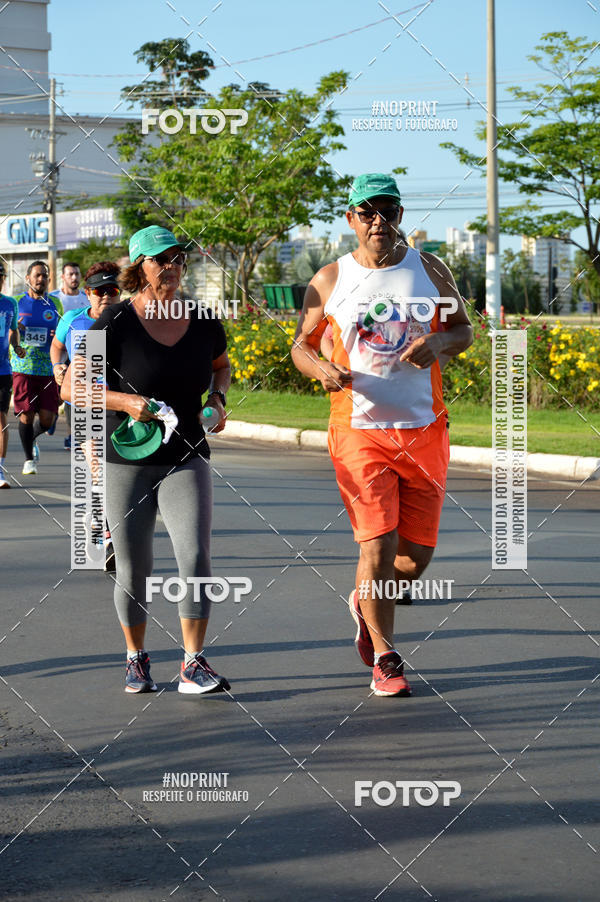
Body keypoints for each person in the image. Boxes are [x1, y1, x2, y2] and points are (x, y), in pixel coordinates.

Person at [292, 173, 473, 697]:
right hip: (359, 431)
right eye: (366, 212)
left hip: (424, 430)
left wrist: (439, 347)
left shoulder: (430, 268)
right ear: (349, 219)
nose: (378, 222)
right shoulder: (329, 280)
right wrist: (319, 370)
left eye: (387, 211)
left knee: (413, 558)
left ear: (400, 215)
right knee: (377, 544)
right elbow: (301, 347)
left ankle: (363, 603)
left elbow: (462, 329)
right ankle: (386, 657)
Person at [61, 225, 232, 695]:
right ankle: (136, 658)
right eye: (160, 260)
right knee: (134, 566)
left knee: (195, 558)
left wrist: (217, 401)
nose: (171, 267)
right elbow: (70, 386)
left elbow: (221, 367)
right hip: (127, 460)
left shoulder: (202, 318)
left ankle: (193, 663)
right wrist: (125, 403)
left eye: (177, 258)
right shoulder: (114, 323)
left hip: (187, 453)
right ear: (140, 267)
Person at [51, 261, 122, 569]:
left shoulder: (127, 322)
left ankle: (97, 516)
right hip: (81, 404)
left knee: (115, 473)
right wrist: (57, 366)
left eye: (112, 290)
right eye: (99, 291)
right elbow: (56, 347)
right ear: (87, 293)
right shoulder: (73, 320)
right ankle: (107, 538)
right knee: (97, 468)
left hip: (117, 406)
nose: (106, 296)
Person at [10, 260, 61, 476]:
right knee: (26, 415)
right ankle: (29, 459)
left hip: (48, 368)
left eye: (45, 276)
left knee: (47, 420)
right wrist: (17, 335)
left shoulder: (55, 304)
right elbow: (8, 332)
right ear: (28, 278)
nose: (41, 279)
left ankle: (32, 439)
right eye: (38, 275)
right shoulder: (16, 303)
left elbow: (62, 332)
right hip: (23, 366)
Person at [0, 262, 26, 488]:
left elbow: (13, 331)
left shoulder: (10, 304)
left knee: (1, 421)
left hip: (3, 370)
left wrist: (16, 347)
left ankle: (0, 470)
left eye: (1, 277)